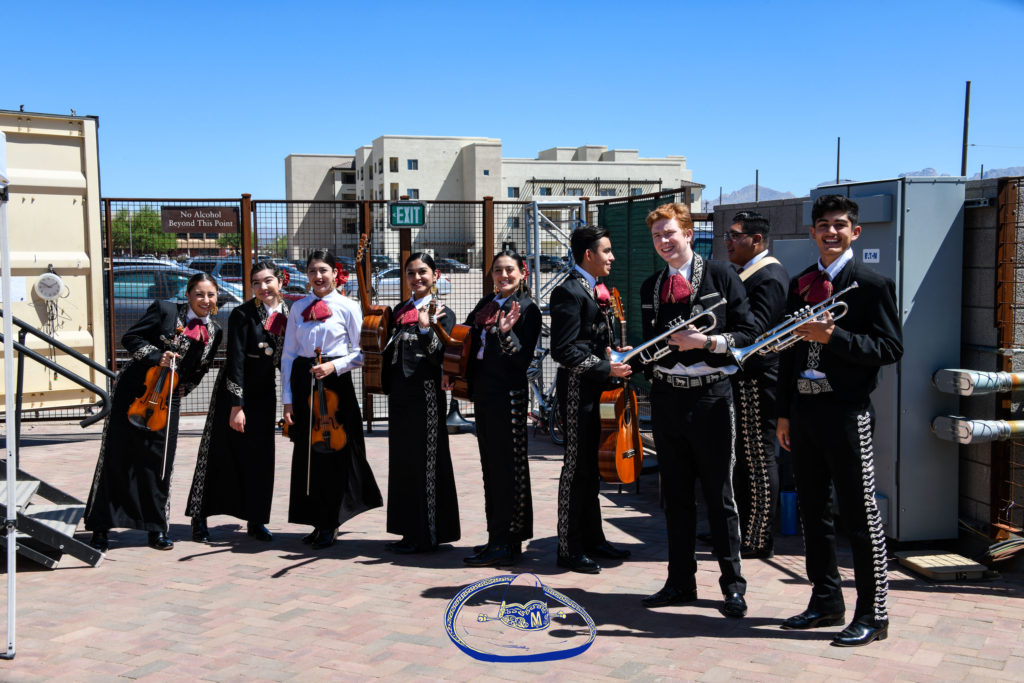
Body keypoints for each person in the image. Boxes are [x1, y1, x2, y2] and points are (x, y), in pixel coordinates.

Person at [776, 195, 902, 647]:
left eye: (840, 225)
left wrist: (835, 336)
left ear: (856, 232)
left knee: (859, 513)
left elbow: (890, 349)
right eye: (824, 225)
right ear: (812, 233)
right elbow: (789, 355)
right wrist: (785, 412)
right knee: (812, 511)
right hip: (805, 412)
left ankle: (874, 614)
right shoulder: (801, 283)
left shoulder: (871, 284)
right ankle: (826, 601)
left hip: (847, 413)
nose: (832, 232)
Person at [637, 202, 757, 618]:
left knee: (719, 495)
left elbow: (749, 333)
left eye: (670, 233)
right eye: (657, 236)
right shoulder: (651, 286)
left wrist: (706, 343)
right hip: (667, 397)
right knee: (675, 496)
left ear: (689, 233)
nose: (664, 242)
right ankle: (680, 582)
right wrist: (624, 361)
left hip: (710, 396)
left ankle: (732, 586)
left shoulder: (722, 275)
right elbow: (650, 345)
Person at [85, 273, 224, 551]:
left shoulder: (215, 330)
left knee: (159, 462)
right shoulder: (165, 310)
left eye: (210, 295)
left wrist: (187, 386)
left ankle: (156, 528)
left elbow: (203, 366)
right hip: (135, 391)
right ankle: (101, 527)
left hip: (167, 398)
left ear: (217, 297)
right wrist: (155, 356)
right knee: (118, 456)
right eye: (199, 294)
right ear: (188, 295)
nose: (205, 300)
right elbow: (130, 337)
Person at [281, 249, 382, 550]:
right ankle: (315, 518)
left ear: (336, 273)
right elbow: (288, 354)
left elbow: (363, 352)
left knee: (335, 453)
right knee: (308, 455)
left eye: (324, 270)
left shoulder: (349, 306)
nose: (318, 276)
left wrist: (334, 366)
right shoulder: (298, 308)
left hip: (335, 383)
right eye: (312, 271)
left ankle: (332, 520)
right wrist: (287, 399)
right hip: (303, 382)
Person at [185, 260, 289, 543]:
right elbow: (237, 361)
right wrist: (236, 406)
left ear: (280, 281)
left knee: (261, 458)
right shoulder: (242, 314)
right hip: (235, 391)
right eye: (256, 283)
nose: (262, 287)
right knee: (218, 454)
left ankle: (256, 520)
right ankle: (200, 518)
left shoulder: (289, 313)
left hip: (265, 392)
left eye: (267, 281)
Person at [549, 225, 633, 574]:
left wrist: (612, 353)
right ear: (589, 255)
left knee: (593, 470)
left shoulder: (594, 288)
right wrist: (604, 368)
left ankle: (594, 539)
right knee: (576, 470)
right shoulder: (568, 292)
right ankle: (568, 548)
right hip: (577, 392)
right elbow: (563, 349)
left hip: (598, 388)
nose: (612, 256)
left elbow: (590, 340)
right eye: (607, 251)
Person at [455, 249, 541, 567]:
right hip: (486, 395)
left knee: (509, 471)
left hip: (509, 397)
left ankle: (508, 541)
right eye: (497, 271)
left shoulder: (528, 309)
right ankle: (496, 537)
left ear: (523, 273)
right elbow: (464, 337)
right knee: (490, 469)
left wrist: (506, 335)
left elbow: (521, 360)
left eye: (509, 270)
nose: (503, 276)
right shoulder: (487, 304)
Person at [383, 253, 460, 553]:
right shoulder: (400, 310)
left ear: (435, 275)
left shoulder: (442, 311)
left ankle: (427, 534)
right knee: (402, 461)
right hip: (400, 394)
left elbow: (442, 356)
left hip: (426, 394)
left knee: (426, 462)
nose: (417, 278)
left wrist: (427, 329)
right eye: (411, 273)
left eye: (423, 272)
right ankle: (407, 530)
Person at [724, 211, 789, 559]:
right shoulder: (747, 273)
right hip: (742, 380)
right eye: (728, 236)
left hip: (759, 380)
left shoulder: (770, 276)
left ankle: (759, 536)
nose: (729, 242)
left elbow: (757, 333)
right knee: (741, 458)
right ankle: (738, 531)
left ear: (757, 240)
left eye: (735, 236)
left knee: (758, 457)